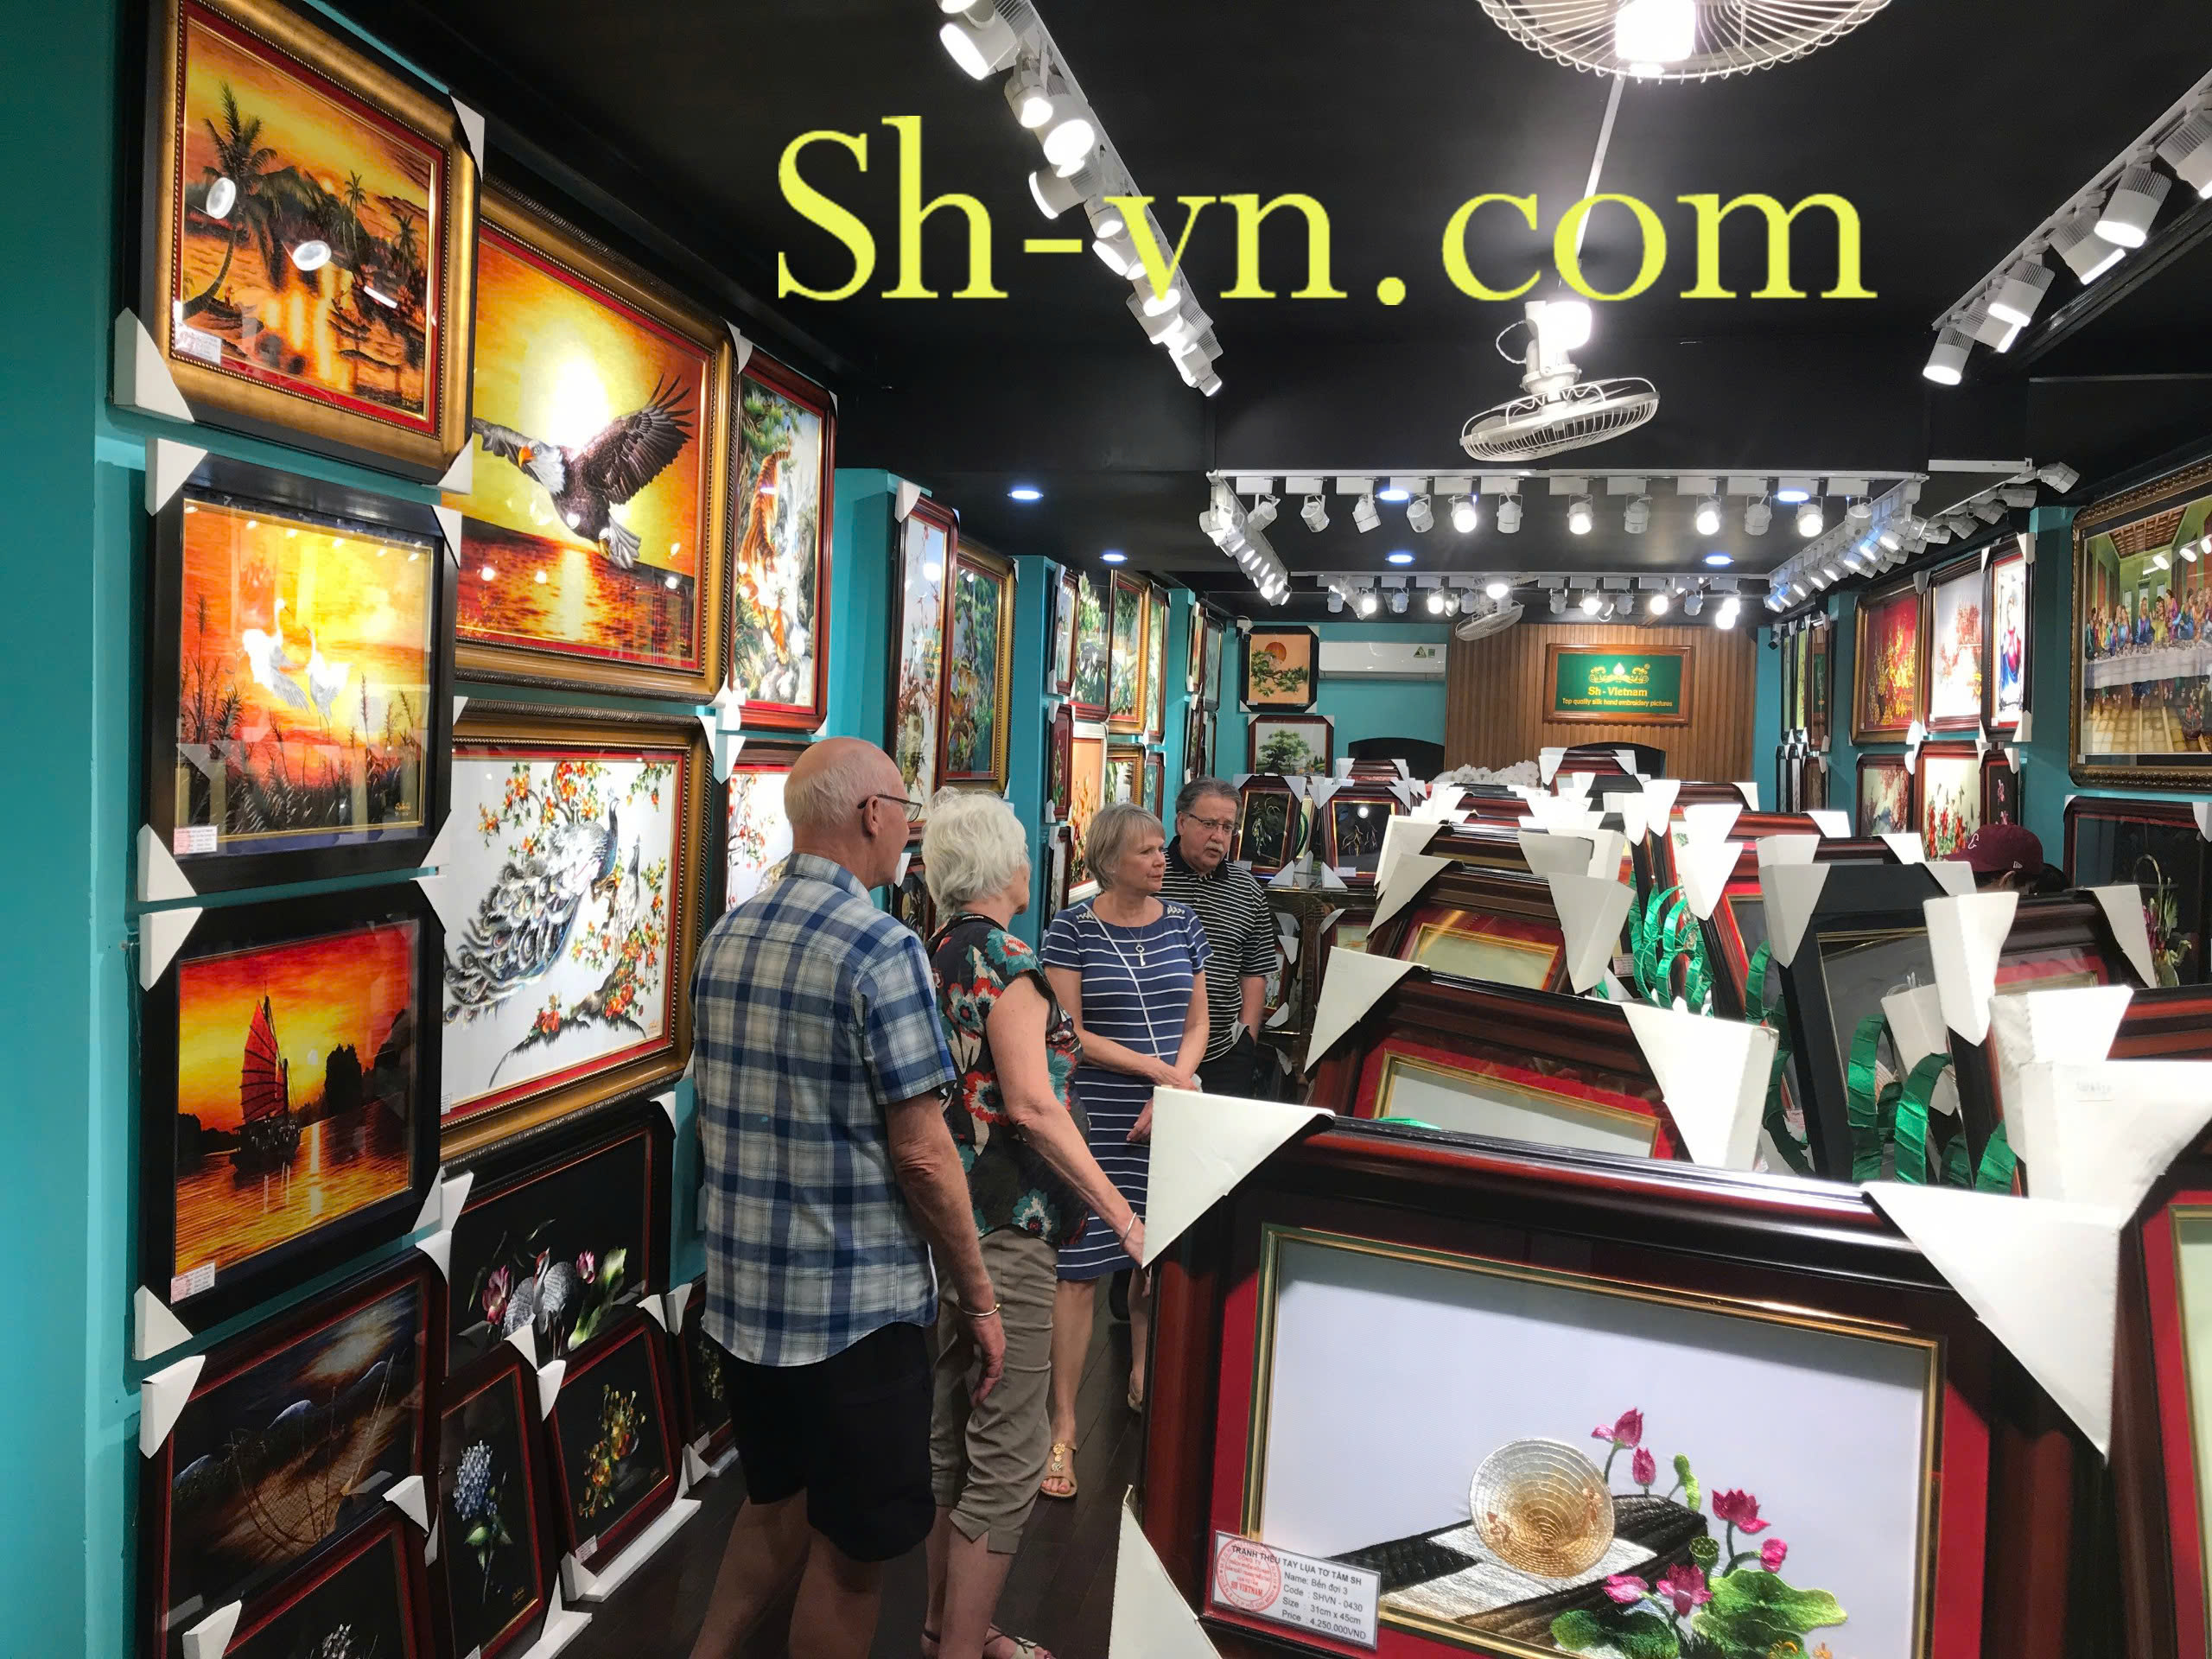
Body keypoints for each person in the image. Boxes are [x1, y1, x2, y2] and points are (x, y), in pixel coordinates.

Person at [687, 738, 1004, 1659]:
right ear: (872, 814)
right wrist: (980, 1298)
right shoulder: (881, 946)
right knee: (855, 1555)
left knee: (775, 1502)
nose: (910, 830)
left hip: (748, 1305)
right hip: (855, 1318)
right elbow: (925, 1157)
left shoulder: (726, 935)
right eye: (906, 811)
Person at [918, 791, 1146, 1659]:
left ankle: (948, 1628)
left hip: (947, 1220)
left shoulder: (939, 949)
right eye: (1021, 851)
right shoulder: (1007, 962)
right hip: (1008, 1225)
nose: (1029, 864)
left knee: (954, 1434)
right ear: (1003, 867)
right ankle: (960, 1648)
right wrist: (1123, 1216)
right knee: (1010, 1448)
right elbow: (1034, 1107)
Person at [1038, 803, 1209, 1496]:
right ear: (1110, 861)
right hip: (1099, 1115)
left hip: (1172, 1111)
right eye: (1146, 851)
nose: (1161, 859)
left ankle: (1144, 1378)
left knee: (1156, 1260)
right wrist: (1157, 1073)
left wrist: (1174, 1088)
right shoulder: (1071, 928)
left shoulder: (1186, 923)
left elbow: (1198, 1024)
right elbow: (1069, 1032)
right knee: (1079, 1271)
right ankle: (1063, 1426)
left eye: (1161, 848)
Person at [1159, 777, 1277, 1098]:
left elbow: (1254, 972)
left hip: (1223, 1053)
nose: (1218, 837)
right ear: (1181, 822)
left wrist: (1247, 1040)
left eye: (1227, 827)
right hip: (1152, 1049)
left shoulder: (1247, 889)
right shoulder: (1152, 875)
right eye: (1209, 824)